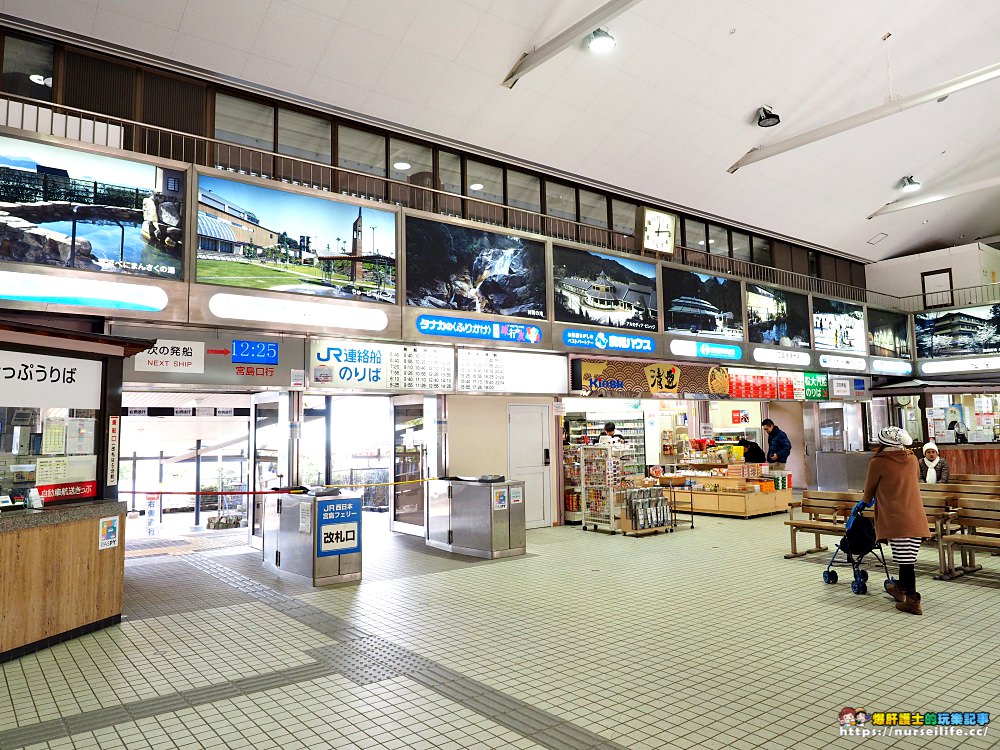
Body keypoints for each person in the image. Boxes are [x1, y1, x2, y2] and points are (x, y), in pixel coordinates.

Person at [860, 426, 930, 615]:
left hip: (895, 516)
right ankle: (899, 589)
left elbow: (869, 490)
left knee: (905, 561)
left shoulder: (878, 462)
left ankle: (913, 600)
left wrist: (863, 503)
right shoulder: (912, 459)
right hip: (915, 515)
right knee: (907, 558)